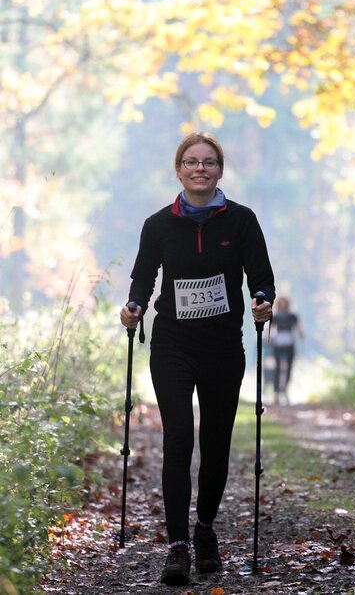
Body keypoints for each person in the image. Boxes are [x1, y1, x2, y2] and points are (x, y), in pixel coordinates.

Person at [120, 131, 275, 586]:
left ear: (220, 170)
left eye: (208, 162)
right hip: (173, 344)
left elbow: (261, 277)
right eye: (191, 162)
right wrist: (133, 306)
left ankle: (204, 528)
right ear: (179, 170)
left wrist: (263, 300)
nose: (200, 169)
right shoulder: (158, 225)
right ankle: (178, 546)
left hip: (222, 347)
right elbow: (142, 278)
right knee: (178, 441)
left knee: (216, 443)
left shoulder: (242, 221)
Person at [271, 295, 304, 403]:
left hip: (289, 343)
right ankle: (276, 392)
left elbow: (298, 327)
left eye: (284, 302)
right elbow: (271, 328)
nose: (283, 304)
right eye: (281, 302)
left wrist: (301, 333)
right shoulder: (275, 316)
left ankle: (285, 390)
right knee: (277, 369)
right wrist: (269, 338)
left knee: (289, 368)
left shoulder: (293, 316)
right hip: (279, 343)